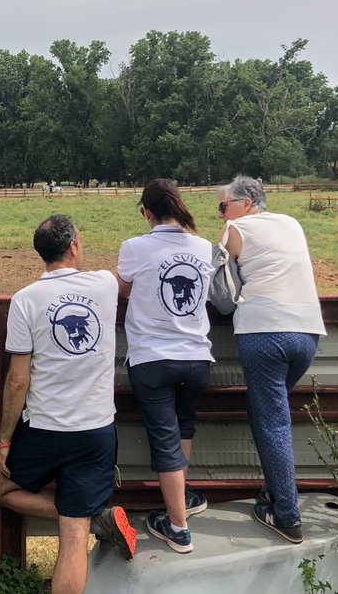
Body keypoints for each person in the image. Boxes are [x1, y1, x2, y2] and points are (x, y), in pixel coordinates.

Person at [0, 215, 136, 594]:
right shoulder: (103, 284)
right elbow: (132, 280)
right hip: (94, 432)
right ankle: (84, 511)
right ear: (74, 246)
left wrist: (3, 441)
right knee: (73, 537)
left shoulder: (24, 300)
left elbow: (18, 380)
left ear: (41, 254)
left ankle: (80, 510)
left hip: (43, 431)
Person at [217, 175, 326, 544]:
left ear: (245, 203)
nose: (221, 214)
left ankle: (287, 517)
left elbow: (224, 293)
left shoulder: (234, 229)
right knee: (265, 413)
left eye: (223, 206)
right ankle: (275, 492)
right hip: (308, 333)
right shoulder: (291, 223)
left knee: (273, 422)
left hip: (264, 332)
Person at [116, 180, 215, 554]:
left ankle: (178, 528)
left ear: (146, 212)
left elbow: (123, 291)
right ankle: (183, 500)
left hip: (152, 358)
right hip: (197, 357)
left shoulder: (135, 248)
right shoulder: (204, 246)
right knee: (183, 426)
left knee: (164, 440)